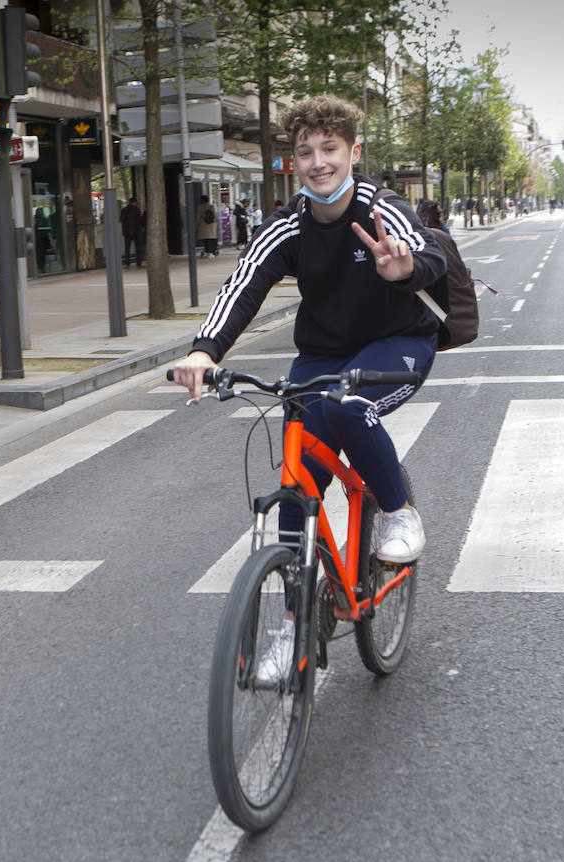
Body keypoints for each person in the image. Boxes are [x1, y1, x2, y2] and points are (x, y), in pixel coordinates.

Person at [170, 95, 444, 616]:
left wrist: (405, 268)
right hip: (323, 354)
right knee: (298, 490)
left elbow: (427, 253)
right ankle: (292, 629)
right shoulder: (289, 224)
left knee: (349, 406)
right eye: (305, 152)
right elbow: (244, 283)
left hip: (399, 342)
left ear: (353, 152)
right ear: (292, 161)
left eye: (330, 148)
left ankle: (398, 511)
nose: (318, 162)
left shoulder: (382, 209)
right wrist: (204, 351)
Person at [119, 196, 145, 267]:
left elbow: (121, 220)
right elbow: (139, 221)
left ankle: (127, 264)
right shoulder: (137, 210)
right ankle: (138, 263)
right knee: (138, 248)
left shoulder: (124, 210)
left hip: (127, 232)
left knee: (127, 249)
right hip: (136, 232)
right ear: (135, 203)